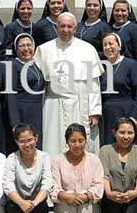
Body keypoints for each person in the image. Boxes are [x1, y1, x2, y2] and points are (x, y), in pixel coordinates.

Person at [34, 12, 103, 156]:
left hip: (79, 104)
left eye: (69, 27)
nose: (66, 30)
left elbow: (94, 84)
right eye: (62, 26)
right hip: (53, 105)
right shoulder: (43, 49)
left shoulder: (87, 49)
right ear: (56, 28)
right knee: (53, 144)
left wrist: (94, 111)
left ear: (75, 29)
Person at [51, 124, 104, 213]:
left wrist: (85, 196)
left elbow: (99, 186)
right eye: (73, 141)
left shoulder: (94, 160)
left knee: (84, 194)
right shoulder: (57, 161)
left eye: (81, 140)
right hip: (63, 212)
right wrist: (66, 196)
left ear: (86, 140)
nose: (77, 145)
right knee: (68, 193)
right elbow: (54, 188)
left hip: (89, 212)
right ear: (66, 142)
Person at [3, 124, 52, 213]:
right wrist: (22, 202)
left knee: (40, 206)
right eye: (22, 141)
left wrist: (34, 203)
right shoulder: (12, 158)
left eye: (30, 140)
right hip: (17, 204)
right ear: (16, 142)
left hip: (36, 203)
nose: (27, 144)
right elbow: (8, 184)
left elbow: (47, 182)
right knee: (13, 206)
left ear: (36, 138)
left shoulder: (44, 157)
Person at [99, 33, 137, 145]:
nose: (108, 47)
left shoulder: (130, 64)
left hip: (126, 111)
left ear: (119, 46)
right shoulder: (101, 66)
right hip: (107, 113)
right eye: (105, 45)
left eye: (111, 43)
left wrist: (134, 116)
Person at [8, 34, 45, 150]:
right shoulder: (13, 65)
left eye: (29, 45)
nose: (26, 48)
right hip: (23, 111)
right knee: (24, 144)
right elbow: (10, 95)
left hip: (37, 111)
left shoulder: (36, 64)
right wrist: (15, 122)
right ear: (16, 49)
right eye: (22, 46)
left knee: (36, 144)